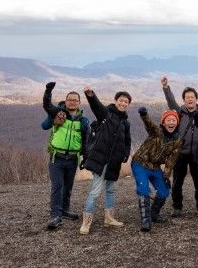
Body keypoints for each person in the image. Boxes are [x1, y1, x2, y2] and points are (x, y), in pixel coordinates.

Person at [77, 86, 132, 234]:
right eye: (121, 100)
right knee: (95, 191)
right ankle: (86, 223)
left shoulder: (125, 122)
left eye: (126, 101)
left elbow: (127, 140)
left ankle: (109, 218)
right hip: (101, 160)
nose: (123, 103)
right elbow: (96, 106)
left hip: (115, 162)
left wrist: (126, 153)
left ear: (128, 104)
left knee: (111, 190)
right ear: (115, 101)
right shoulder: (106, 114)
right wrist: (90, 95)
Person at [41, 81, 90, 230]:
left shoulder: (83, 120)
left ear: (80, 103)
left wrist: (84, 157)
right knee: (57, 186)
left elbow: (85, 140)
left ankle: (64, 210)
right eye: (70, 100)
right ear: (66, 101)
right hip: (57, 157)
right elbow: (46, 105)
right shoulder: (58, 113)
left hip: (73, 158)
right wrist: (48, 90)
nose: (72, 102)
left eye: (75, 100)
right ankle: (55, 215)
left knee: (68, 186)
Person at [130, 107, 183, 232]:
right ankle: (145, 220)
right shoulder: (156, 132)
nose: (171, 122)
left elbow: (171, 160)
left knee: (164, 191)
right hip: (140, 163)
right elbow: (149, 124)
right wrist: (144, 115)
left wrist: (166, 176)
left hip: (155, 167)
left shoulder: (177, 140)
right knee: (143, 189)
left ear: (177, 123)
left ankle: (154, 214)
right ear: (163, 122)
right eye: (168, 120)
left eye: (173, 120)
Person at [161, 76, 198, 217]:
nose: (190, 99)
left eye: (192, 97)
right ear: (184, 99)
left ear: (196, 99)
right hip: (180, 152)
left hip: (197, 153)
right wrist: (166, 87)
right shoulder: (179, 112)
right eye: (187, 97)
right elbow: (170, 102)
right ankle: (177, 207)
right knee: (178, 181)